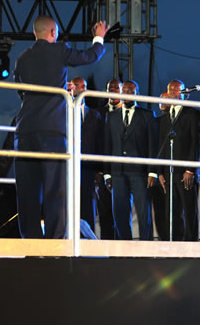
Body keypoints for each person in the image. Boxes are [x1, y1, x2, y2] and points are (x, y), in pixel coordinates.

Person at [13, 15, 107, 238]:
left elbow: (21, 91)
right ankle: (54, 242)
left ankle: (31, 243)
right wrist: (99, 38)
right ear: (53, 32)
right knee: (56, 188)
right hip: (52, 130)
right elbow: (89, 56)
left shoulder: (22, 58)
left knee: (27, 190)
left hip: (25, 129)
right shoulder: (59, 50)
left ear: (35, 33)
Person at [104, 80, 158, 240]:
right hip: (117, 172)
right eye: (124, 90)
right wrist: (107, 173)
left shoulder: (147, 115)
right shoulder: (111, 117)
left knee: (143, 213)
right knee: (119, 212)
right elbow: (107, 145)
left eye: (131, 91)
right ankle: (124, 249)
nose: (127, 93)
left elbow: (152, 145)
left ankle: (145, 249)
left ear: (137, 94)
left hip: (140, 172)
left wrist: (152, 171)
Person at [157, 79, 200, 241]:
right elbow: (161, 145)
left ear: (185, 93)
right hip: (169, 172)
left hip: (185, 171)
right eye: (170, 89)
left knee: (189, 209)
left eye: (177, 89)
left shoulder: (193, 114)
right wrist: (161, 172)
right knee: (172, 210)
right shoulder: (164, 117)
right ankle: (175, 242)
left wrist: (190, 169)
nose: (173, 92)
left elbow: (196, 143)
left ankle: (191, 243)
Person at [69, 76, 104, 234]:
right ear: (71, 87)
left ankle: (88, 237)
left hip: (88, 166)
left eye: (84, 86)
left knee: (87, 202)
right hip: (67, 164)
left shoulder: (94, 114)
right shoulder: (62, 110)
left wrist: (99, 169)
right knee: (67, 201)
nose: (81, 88)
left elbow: (99, 142)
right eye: (77, 85)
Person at [95, 78, 121, 238]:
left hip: (123, 169)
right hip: (102, 170)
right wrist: (98, 170)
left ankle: (122, 251)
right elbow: (95, 142)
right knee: (104, 211)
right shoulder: (98, 113)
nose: (113, 90)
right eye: (110, 87)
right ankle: (106, 250)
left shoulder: (128, 113)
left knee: (122, 211)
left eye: (116, 88)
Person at [151, 91, 172, 240]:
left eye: (167, 98)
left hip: (175, 172)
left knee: (175, 210)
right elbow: (154, 149)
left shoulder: (178, 120)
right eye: (161, 98)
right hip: (159, 173)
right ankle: (163, 240)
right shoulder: (155, 121)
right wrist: (158, 173)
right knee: (160, 210)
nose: (163, 101)